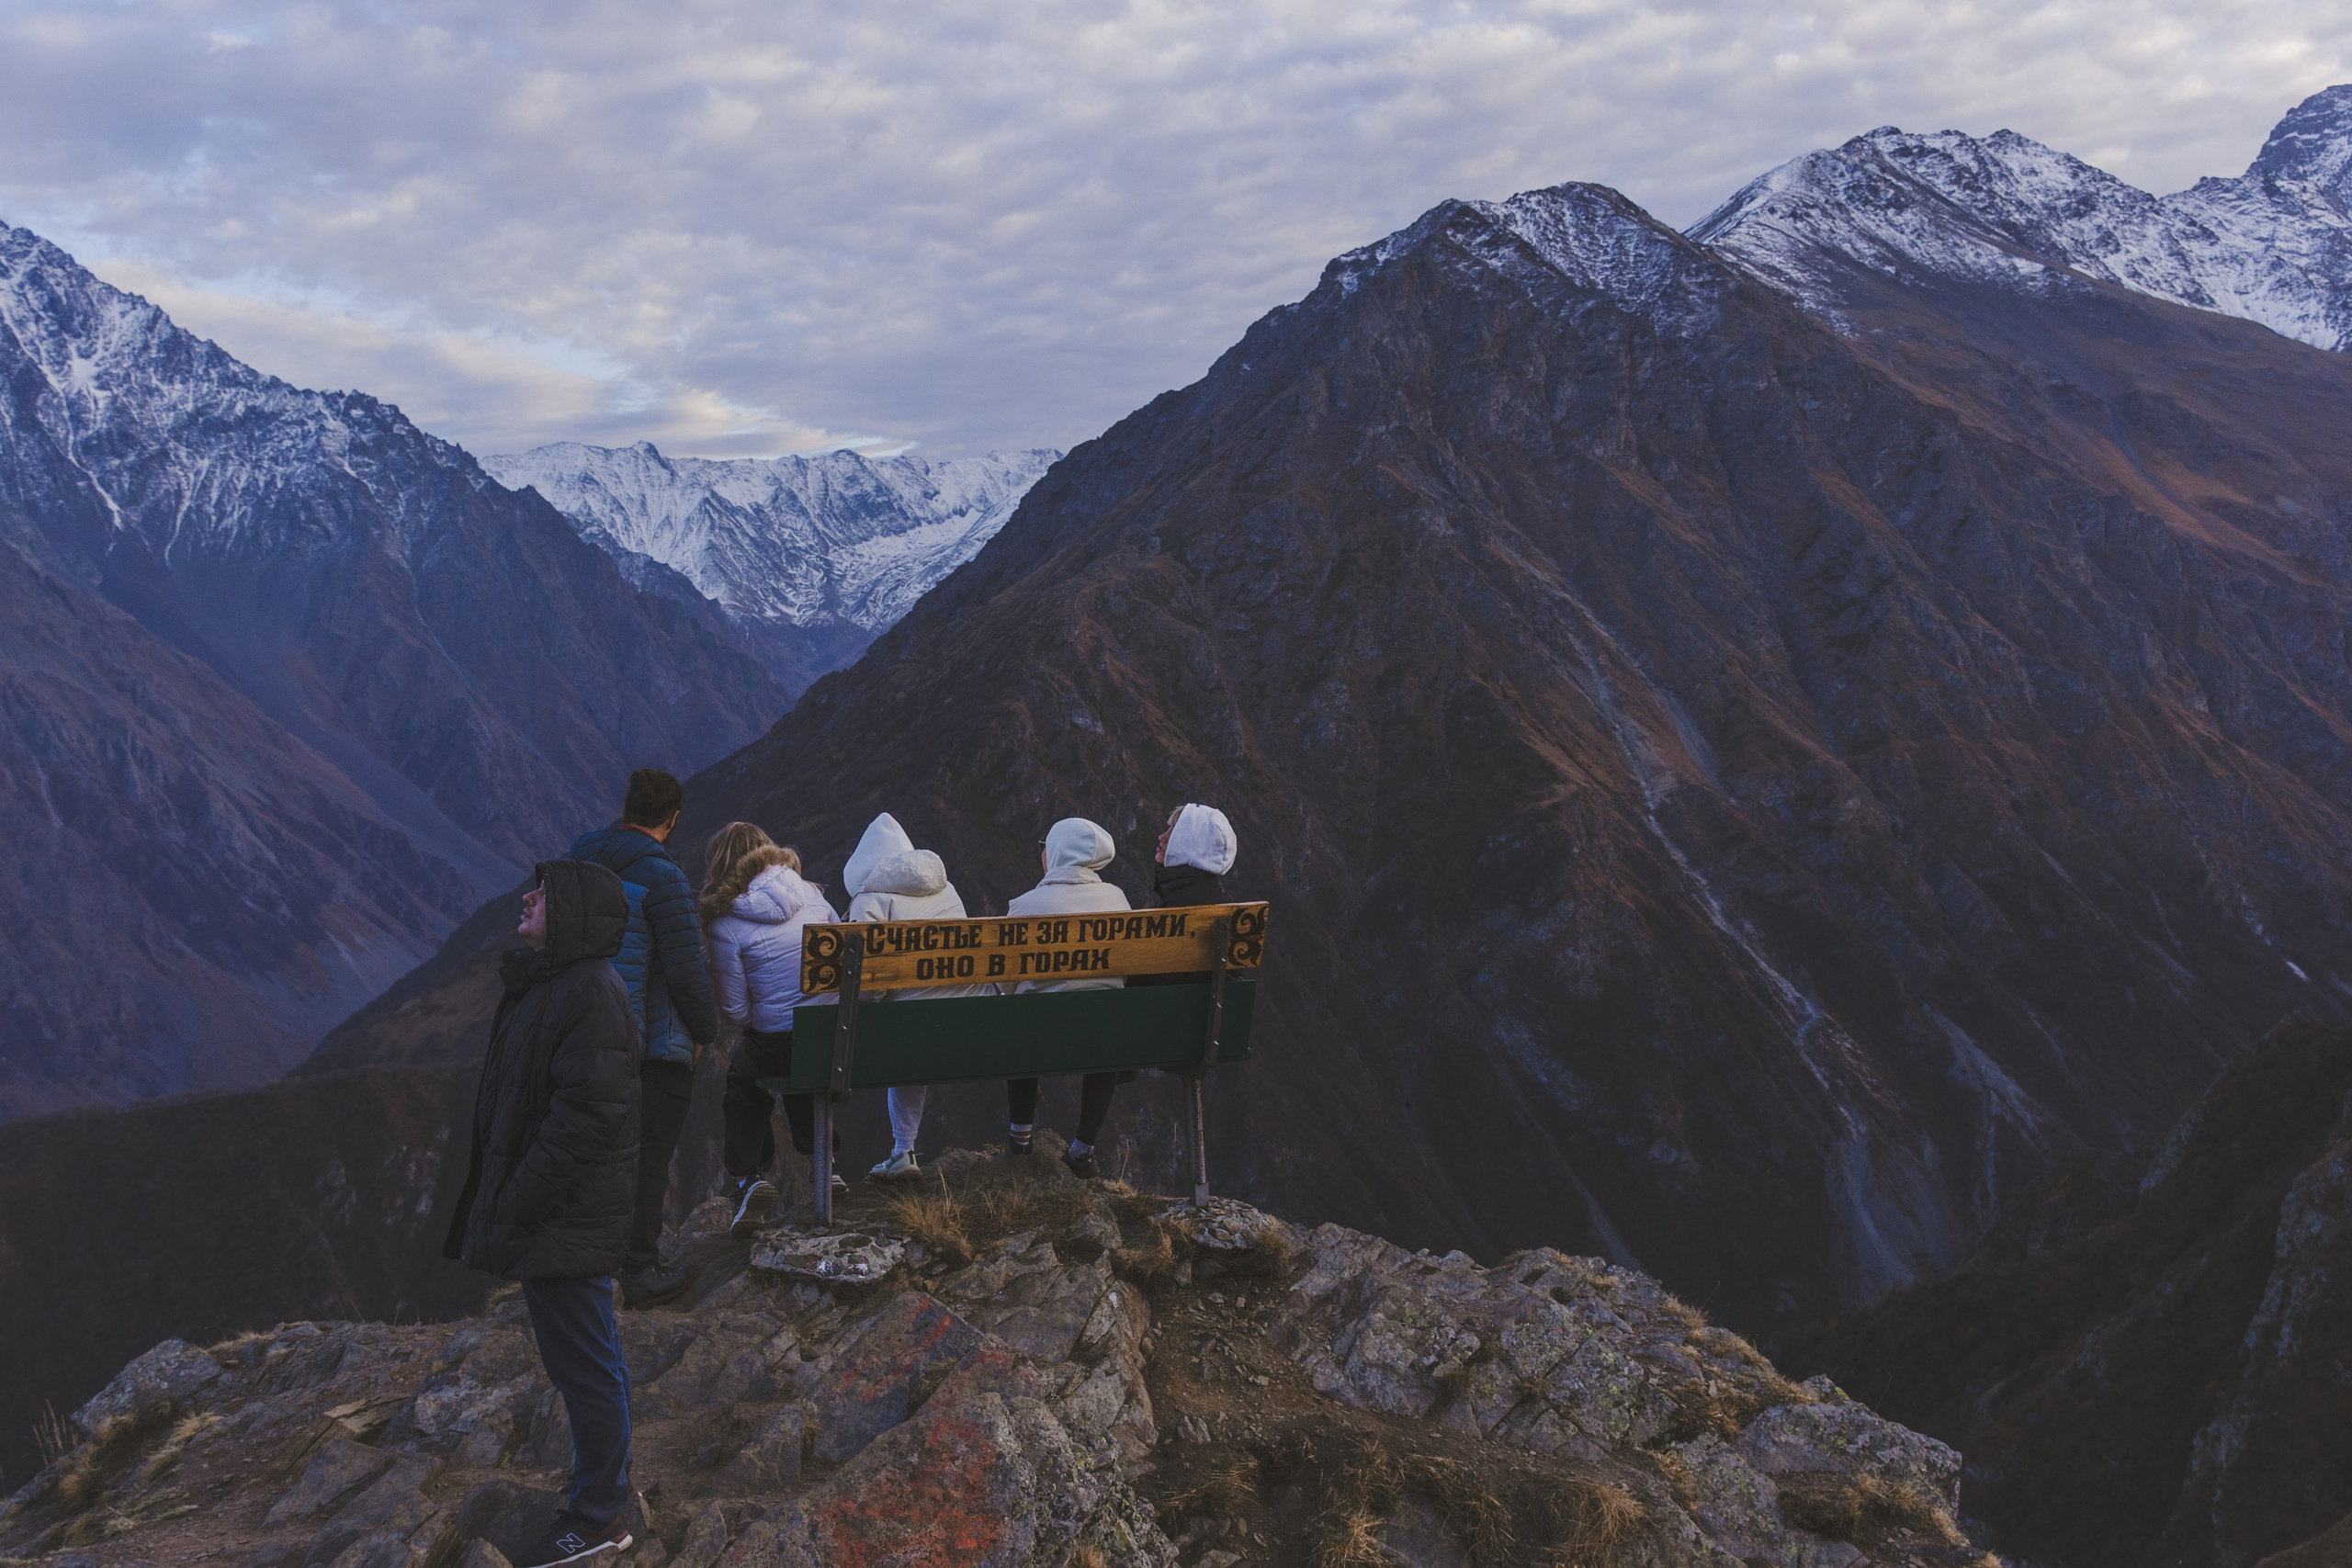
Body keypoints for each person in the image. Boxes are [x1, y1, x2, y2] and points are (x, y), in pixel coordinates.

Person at [443, 862, 640, 1567]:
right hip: (559, 1212)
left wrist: (521, 1202)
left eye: (544, 892)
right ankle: (603, 1491)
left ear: (575, 914)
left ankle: (600, 1515)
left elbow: (586, 1116)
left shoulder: (589, 991)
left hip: (565, 1215)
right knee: (584, 1358)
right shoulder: (560, 984)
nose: (526, 898)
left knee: (585, 1363)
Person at [568, 769, 719, 1309]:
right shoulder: (665, 879)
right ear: (673, 819)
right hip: (648, 1045)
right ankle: (639, 1268)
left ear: (627, 808)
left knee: (590, 1151)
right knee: (649, 1155)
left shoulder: (579, 861)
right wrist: (706, 1033)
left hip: (581, 1033)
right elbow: (685, 970)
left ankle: (583, 1262)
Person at [701, 821, 841, 1228]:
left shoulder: (724, 922)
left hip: (779, 1042)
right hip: (834, 1036)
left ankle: (747, 1179)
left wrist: (766, 1016)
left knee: (746, 1075)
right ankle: (826, 1163)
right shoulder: (813, 894)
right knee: (804, 1059)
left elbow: (735, 1011)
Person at [842, 811, 996, 1181]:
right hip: (972, 1022)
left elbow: (870, 991)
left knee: (903, 1021)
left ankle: (903, 1150)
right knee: (918, 1013)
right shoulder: (947, 889)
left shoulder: (870, 900)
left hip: (908, 1033)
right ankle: (902, 1150)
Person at [1004, 817, 1131, 1179]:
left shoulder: (1026, 905)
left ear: (1056, 853)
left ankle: (1020, 1140)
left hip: (1036, 1037)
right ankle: (1082, 1150)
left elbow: (1007, 985)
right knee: (1105, 1034)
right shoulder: (1118, 900)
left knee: (1018, 1019)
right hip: (1103, 1036)